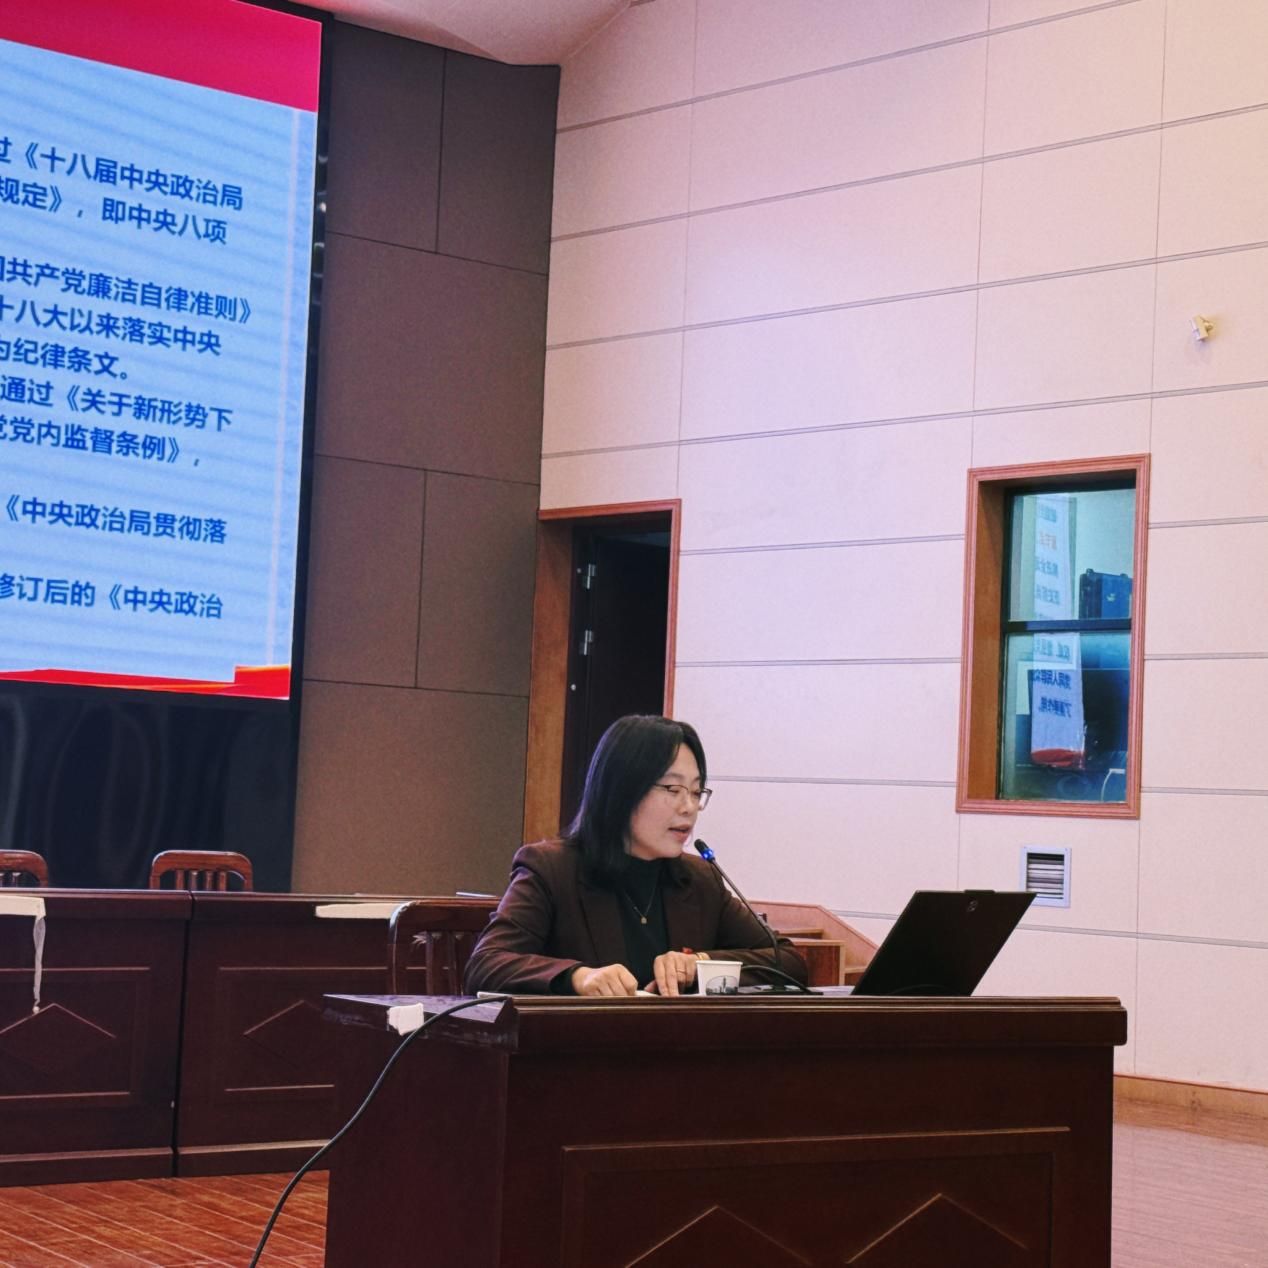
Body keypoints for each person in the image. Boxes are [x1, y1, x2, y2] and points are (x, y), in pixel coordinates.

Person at [464, 715, 807, 997]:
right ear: (622, 790)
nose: (689, 807)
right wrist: (578, 977)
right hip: (581, 1053)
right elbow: (486, 964)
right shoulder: (552, 870)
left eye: (696, 791)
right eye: (673, 789)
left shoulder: (699, 880)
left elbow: (788, 961)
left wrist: (700, 963)